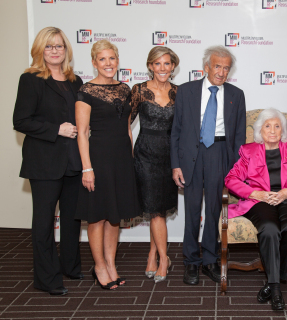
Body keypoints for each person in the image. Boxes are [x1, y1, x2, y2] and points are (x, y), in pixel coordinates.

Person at [13, 27, 83, 296]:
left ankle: (70, 266)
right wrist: (56, 129)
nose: (55, 50)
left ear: (66, 50)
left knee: (72, 219)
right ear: (40, 50)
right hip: (43, 162)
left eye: (60, 46)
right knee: (43, 222)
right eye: (49, 46)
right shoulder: (30, 80)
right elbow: (21, 121)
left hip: (73, 161)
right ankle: (46, 278)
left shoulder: (74, 81)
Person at [171, 46, 246, 285]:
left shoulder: (237, 94)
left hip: (220, 153)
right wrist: (176, 164)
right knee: (192, 212)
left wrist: (236, 167)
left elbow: (240, 135)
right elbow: (176, 132)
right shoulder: (185, 91)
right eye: (217, 66)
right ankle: (191, 262)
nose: (222, 72)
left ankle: (210, 260)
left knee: (214, 210)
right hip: (191, 155)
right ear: (206, 67)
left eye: (226, 68)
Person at [225, 109, 287, 311]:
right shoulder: (248, 151)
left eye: (277, 126)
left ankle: (274, 278)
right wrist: (255, 194)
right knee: (270, 228)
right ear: (259, 130)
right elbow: (231, 179)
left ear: (283, 130)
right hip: (260, 201)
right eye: (267, 126)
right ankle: (275, 289)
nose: (272, 131)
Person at [75, 40, 141, 290]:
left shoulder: (125, 89)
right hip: (98, 159)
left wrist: (131, 159)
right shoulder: (86, 91)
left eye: (112, 58)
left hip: (122, 159)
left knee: (115, 217)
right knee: (98, 216)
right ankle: (99, 267)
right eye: (102, 59)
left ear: (117, 60)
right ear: (94, 62)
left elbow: (127, 128)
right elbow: (82, 133)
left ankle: (111, 264)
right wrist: (87, 168)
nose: (108, 63)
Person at [130, 46, 180, 283]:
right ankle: (164, 258)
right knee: (155, 209)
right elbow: (125, 124)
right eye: (158, 63)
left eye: (167, 63)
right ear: (150, 66)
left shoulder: (179, 92)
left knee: (157, 208)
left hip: (170, 156)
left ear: (173, 66)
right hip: (146, 154)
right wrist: (125, 154)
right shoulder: (138, 90)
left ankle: (152, 254)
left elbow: (184, 129)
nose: (163, 68)